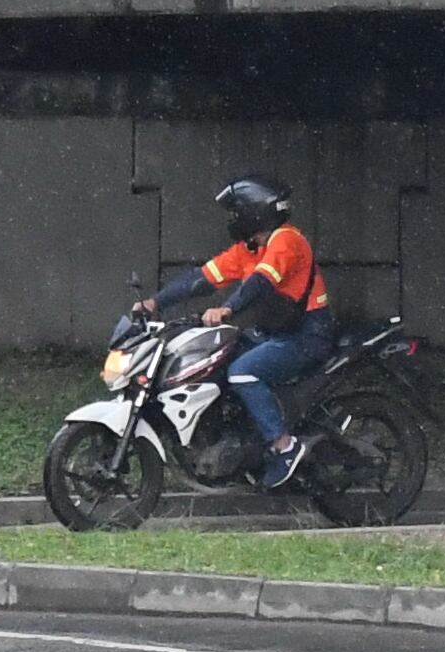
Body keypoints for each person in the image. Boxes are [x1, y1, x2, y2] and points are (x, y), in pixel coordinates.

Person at [131, 177, 330, 486]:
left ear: (254, 212)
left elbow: (260, 282)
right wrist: (155, 303)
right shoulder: (250, 249)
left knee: (242, 372)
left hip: (306, 335)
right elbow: (201, 279)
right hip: (275, 332)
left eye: (237, 212)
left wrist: (228, 309)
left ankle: (284, 447)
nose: (234, 220)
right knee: (220, 363)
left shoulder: (286, 240)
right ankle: (243, 441)